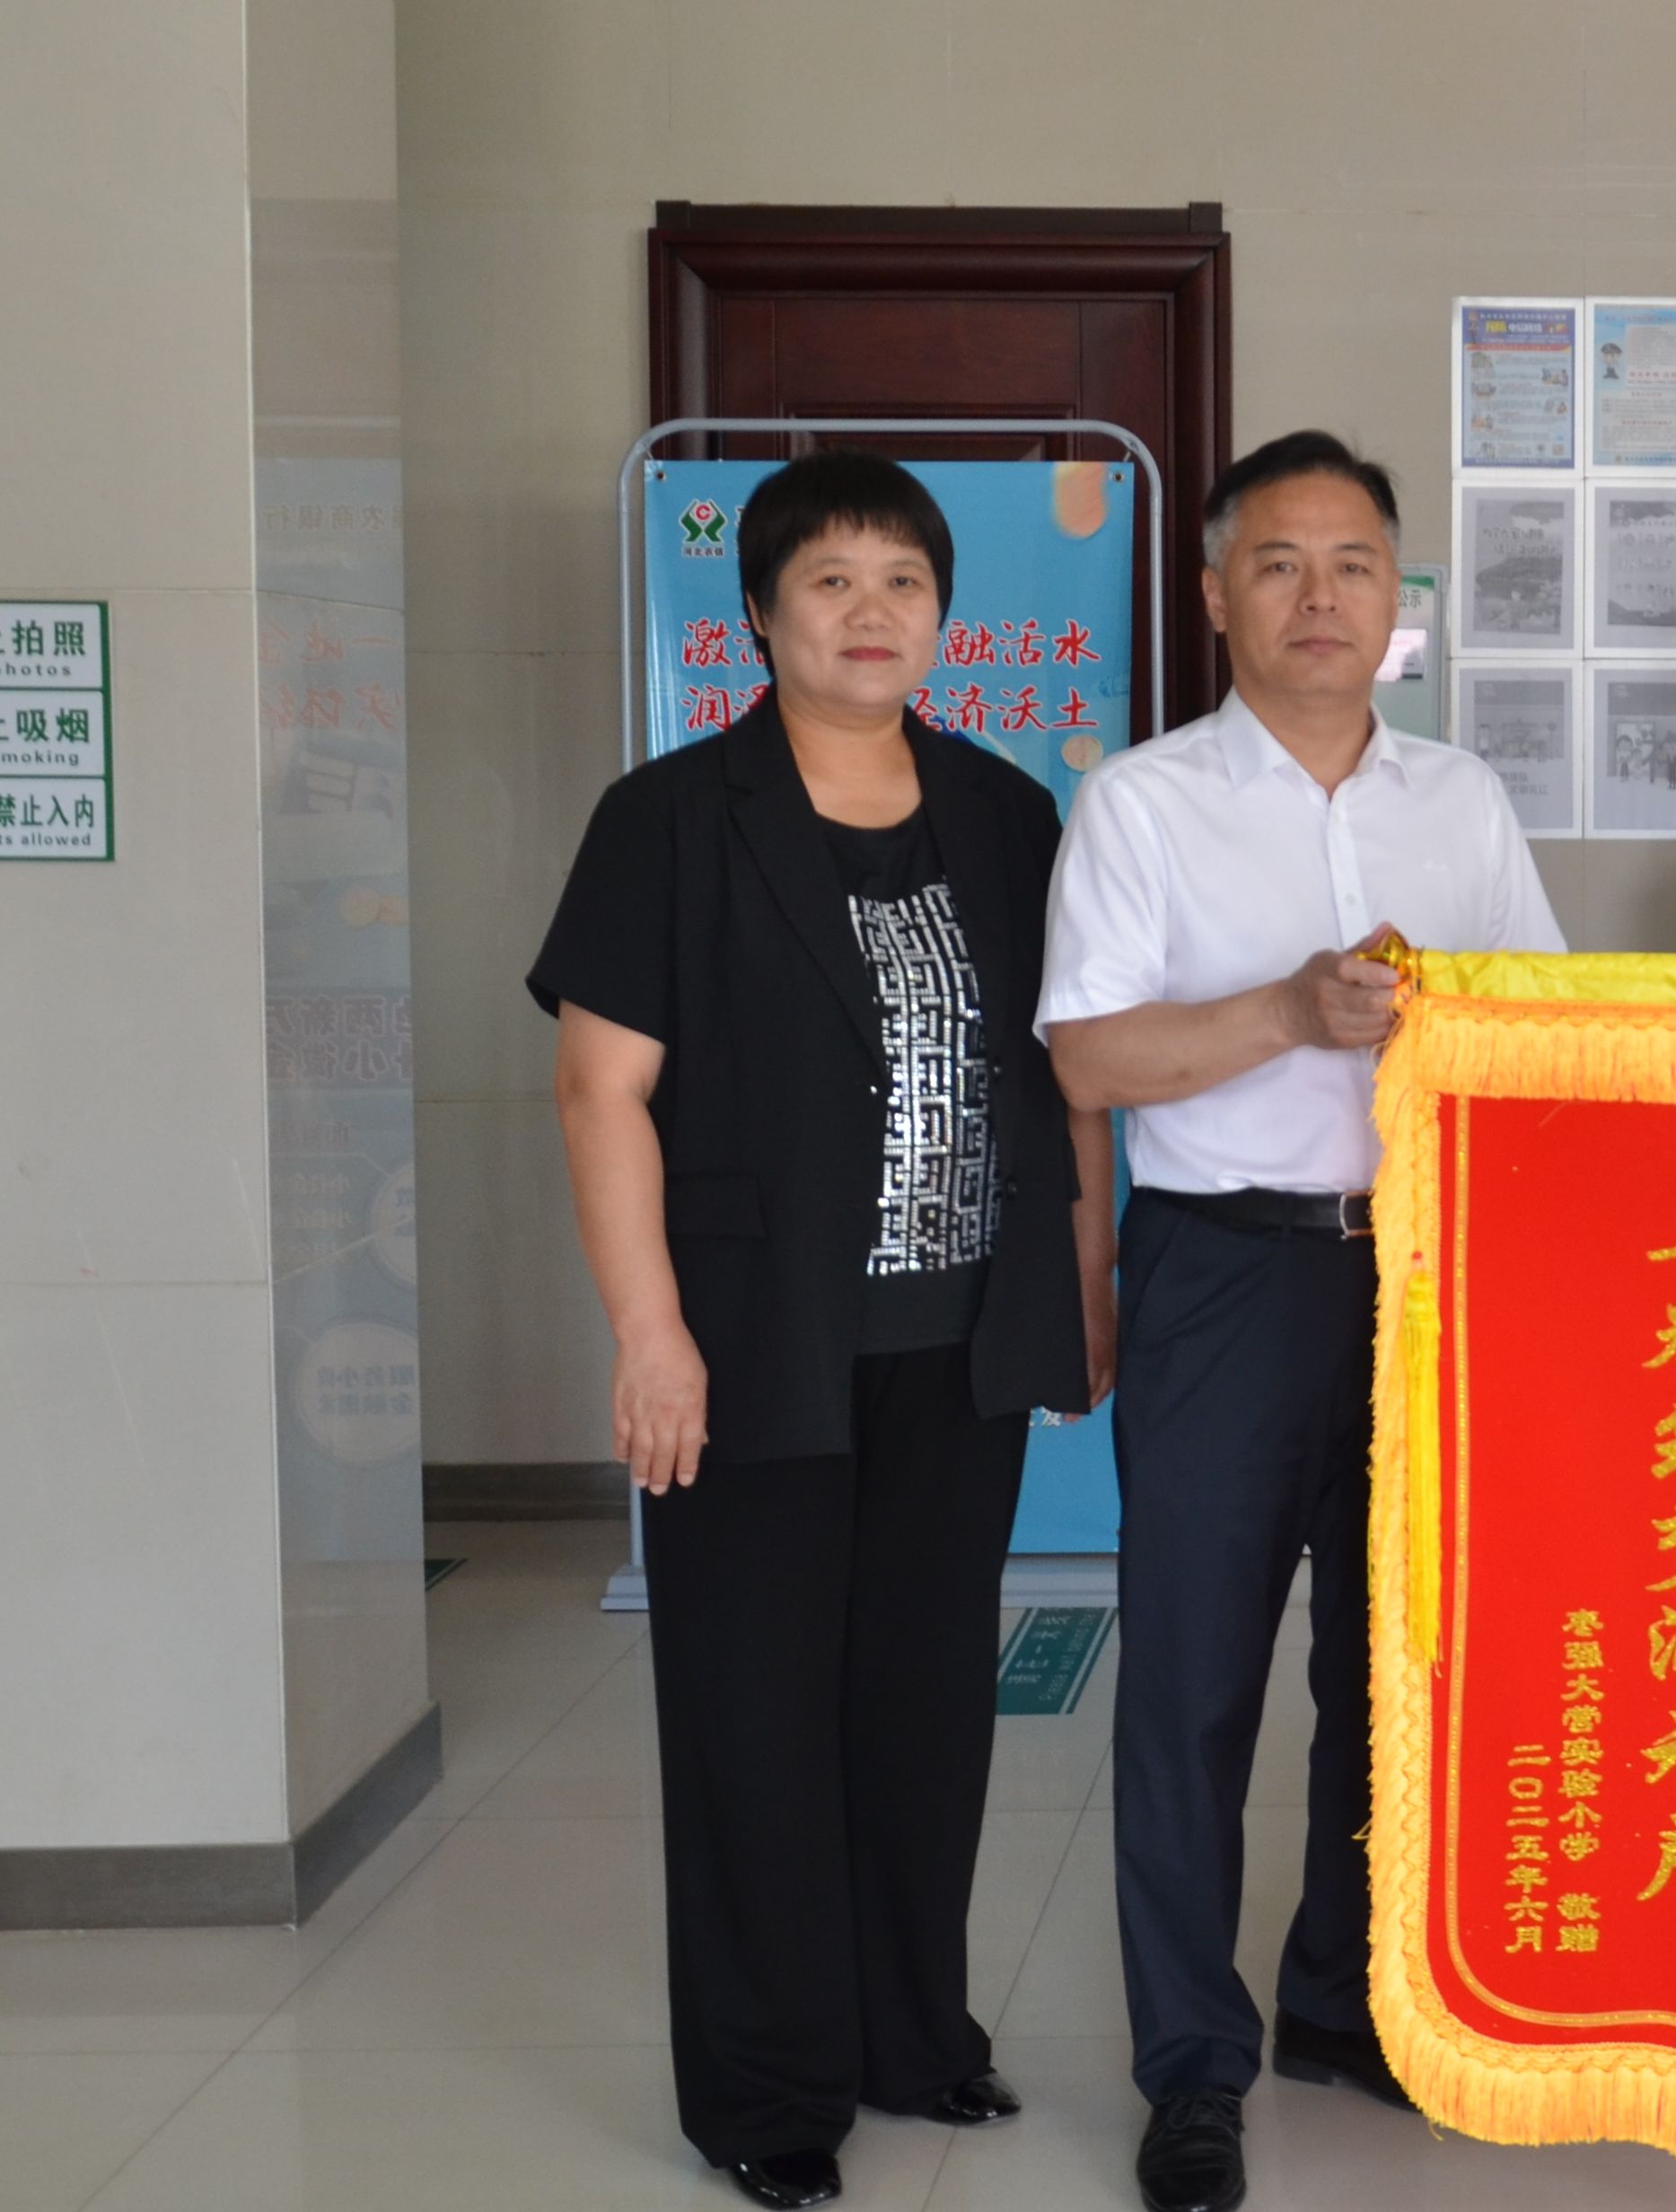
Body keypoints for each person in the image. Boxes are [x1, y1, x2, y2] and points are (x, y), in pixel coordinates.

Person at [531, 449, 1115, 2210]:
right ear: (761, 614)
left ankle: (910, 2033)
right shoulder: (669, 819)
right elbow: (598, 1091)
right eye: (831, 581)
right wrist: (649, 1332)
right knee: (754, 1713)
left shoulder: (1005, 815)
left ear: (945, 615)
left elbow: (1064, 1077)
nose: (872, 612)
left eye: (903, 581)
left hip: (961, 1343)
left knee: (924, 1705)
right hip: (753, 1342)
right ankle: (769, 2086)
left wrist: (1082, 1281)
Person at [1039, 430, 1566, 2212]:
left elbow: (1546, 1028)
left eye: (1353, 564)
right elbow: (1089, 1058)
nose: (1319, 596)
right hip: (1225, 1277)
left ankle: (1345, 2003)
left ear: (1397, 597)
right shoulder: (1142, 805)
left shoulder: (1461, 802)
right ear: (1216, 595)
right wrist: (1281, 1011)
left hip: (1425, 1281)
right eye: (1278, 563)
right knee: (1190, 1681)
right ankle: (1193, 2065)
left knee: (1394, 1666)